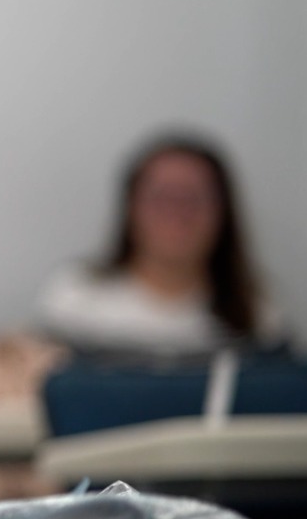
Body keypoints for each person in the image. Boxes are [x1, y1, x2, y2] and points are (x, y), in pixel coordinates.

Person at [38, 134, 285, 359]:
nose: (177, 214)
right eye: (161, 197)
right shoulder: (76, 296)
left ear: (224, 213)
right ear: (130, 208)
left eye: (194, 198)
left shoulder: (257, 310)